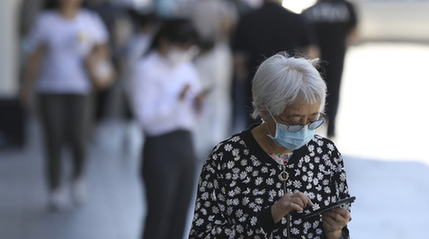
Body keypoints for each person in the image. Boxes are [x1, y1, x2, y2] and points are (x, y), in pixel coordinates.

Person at [188, 52, 352, 239]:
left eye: (313, 120)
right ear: (266, 112)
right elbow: (201, 235)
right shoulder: (226, 158)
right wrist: (269, 217)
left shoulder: (326, 154)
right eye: (295, 121)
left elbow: (341, 231)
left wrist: (335, 232)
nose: (305, 129)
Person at [20, 0, 109, 210]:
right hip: (50, 88)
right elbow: (34, 54)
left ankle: (78, 175)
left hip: (80, 88)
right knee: (53, 138)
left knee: (79, 138)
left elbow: (103, 50)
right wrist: (26, 86)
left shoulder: (89, 20)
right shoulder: (45, 21)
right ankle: (55, 187)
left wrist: (94, 59)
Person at [127, 18, 204, 239]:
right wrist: (177, 101)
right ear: (164, 41)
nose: (185, 52)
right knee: (159, 212)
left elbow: (194, 114)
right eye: (182, 46)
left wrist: (198, 103)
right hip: (160, 145)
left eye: (189, 48)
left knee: (181, 212)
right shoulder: (145, 69)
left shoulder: (187, 68)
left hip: (186, 142)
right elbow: (146, 119)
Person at [231, 0, 320, 128]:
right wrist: (305, 76)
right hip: (290, 82)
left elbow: (237, 55)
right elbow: (312, 52)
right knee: (290, 123)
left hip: (255, 82)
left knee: (255, 123)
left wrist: (242, 72)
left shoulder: (247, 18)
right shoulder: (296, 18)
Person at [303, 0, 358, 137]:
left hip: (315, 59)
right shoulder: (347, 7)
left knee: (313, 91)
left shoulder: (310, 11)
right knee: (334, 90)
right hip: (337, 57)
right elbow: (354, 33)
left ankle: (312, 123)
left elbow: (304, 38)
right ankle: (331, 126)